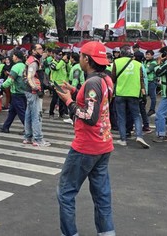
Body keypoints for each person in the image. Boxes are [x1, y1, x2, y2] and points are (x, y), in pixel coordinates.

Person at [55, 41, 115, 236]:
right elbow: (98, 102)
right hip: (104, 145)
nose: (78, 59)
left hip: (86, 147)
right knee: (101, 196)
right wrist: (74, 90)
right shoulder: (106, 79)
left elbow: (90, 117)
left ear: (87, 59)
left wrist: (69, 102)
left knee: (65, 193)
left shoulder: (91, 83)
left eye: (81, 56)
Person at [111, 45, 149, 149]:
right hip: (134, 94)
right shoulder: (138, 64)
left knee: (121, 117)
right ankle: (139, 136)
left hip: (120, 93)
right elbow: (142, 80)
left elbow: (112, 79)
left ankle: (123, 139)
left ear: (121, 52)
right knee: (136, 116)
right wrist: (143, 94)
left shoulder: (117, 62)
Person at [24, 44, 51, 146]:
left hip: (29, 91)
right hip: (33, 91)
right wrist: (35, 88)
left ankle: (28, 137)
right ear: (33, 51)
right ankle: (38, 139)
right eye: (39, 49)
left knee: (29, 114)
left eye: (42, 48)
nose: (41, 50)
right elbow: (30, 77)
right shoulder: (34, 62)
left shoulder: (31, 60)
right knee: (36, 115)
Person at [0, 50, 27, 134]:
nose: (12, 58)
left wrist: (2, 86)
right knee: (12, 111)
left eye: (13, 56)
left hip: (17, 92)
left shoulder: (15, 67)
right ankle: (5, 127)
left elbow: (10, 80)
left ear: (16, 57)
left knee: (21, 112)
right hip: (23, 91)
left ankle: (28, 129)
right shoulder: (24, 66)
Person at [49, 49, 69, 119]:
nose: (61, 56)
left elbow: (68, 69)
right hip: (56, 83)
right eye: (59, 55)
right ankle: (51, 113)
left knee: (62, 99)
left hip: (63, 83)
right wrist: (62, 61)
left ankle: (62, 113)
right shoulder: (52, 63)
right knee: (54, 99)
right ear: (55, 54)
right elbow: (56, 68)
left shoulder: (62, 62)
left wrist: (67, 62)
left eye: (61, 55)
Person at [144, 49, 158, 115]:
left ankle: (152, 109)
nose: (147, 56)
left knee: (153, 97)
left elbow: (147, 70)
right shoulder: (144, 61)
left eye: (148, 54)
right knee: (144, 96)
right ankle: (143, 109)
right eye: (146, 54)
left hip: (151, 81)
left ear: (152, 55)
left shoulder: (154, 63)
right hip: (145, 82)